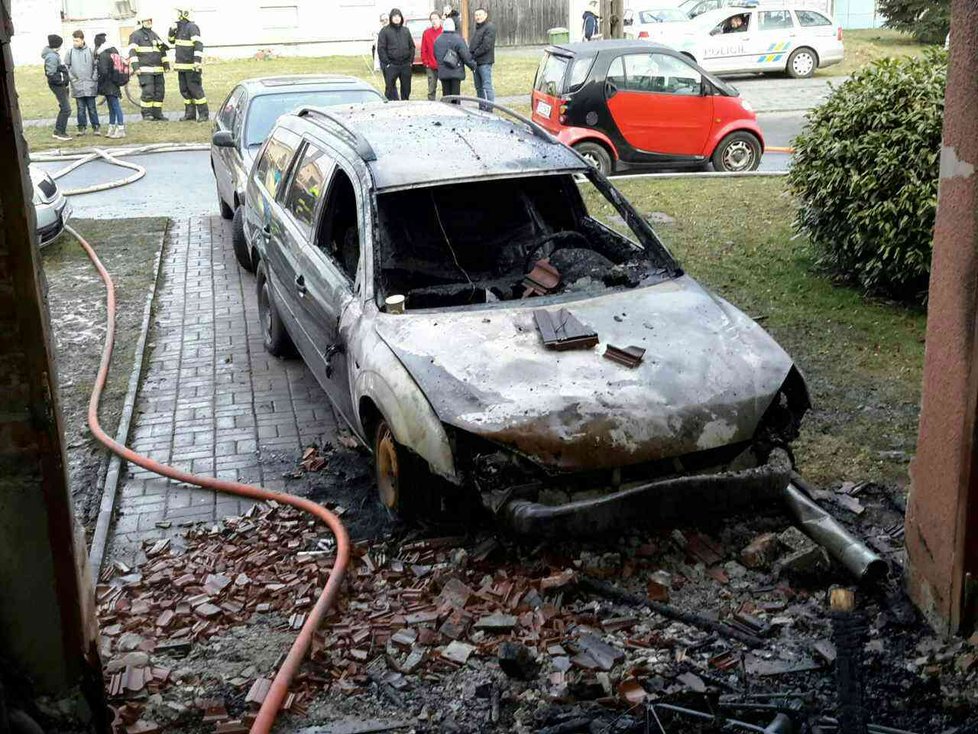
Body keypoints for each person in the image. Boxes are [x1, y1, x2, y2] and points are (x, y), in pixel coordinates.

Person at [169, 9, 208, 122]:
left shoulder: (192, 27)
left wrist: (197, 61)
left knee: (195, 90)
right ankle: (190, 114)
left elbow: (198, 45)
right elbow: (171, 41)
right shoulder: (178, 27)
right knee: (184, 90)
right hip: (181, 66)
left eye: (178, 13)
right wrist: (171, 30)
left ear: (184, 14)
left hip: (191, 66)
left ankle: (203, 114)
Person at [127, 15, 169, 121]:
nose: (149, 22)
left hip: (158, 70)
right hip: (145, 70)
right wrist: (136, 67)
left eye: (150, 20)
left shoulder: (154, 35)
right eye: (146, 20)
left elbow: (162, 50)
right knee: (148, 92)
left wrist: (166, 65)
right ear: (141, 22)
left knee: (160, 92)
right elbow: (132, 52)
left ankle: (157, 113)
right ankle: (147, 114)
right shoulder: (136, 35)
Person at [64, 30, 100, 135]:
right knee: (80, 108)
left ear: (82, 40)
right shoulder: (70, 52)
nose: (75, 43)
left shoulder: (90, 51)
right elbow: (66, 66)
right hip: (77, 85)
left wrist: (93, 78)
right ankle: (81, 127)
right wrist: (73, 79)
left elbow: (96, 65)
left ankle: (96, 127)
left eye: (77, 40)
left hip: (90, 84)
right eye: (74, 40)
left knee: (92, 108)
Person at [433, 18, 475, 102]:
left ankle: (447, 111)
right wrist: (473, 65)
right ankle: (456, 111)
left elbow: (435, 55)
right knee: (455, 96)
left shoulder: (438, 40)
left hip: (443, 71)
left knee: (446, 95)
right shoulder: (458, 39)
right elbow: (465, 55)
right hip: (456, 71)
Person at [377, 8, 415, 101]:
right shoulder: (385, 31)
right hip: (392, 65)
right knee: (390, 89)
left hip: (405, 65)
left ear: (401, 18)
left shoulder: (406, 30)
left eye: (398, 16)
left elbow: (412, 46)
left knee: (406, 89)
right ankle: (391, 106)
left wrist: (410, 61)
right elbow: (381, 48)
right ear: (391, 18)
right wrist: (387, 63)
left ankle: (405, 105)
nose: (397, 18)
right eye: (394, 16)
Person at [94, 33, 126, 139]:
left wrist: (99, 82)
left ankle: (120, 128)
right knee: (112, 106)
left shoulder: (103, 54)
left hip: (108, 84)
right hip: (115, 82)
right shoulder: (113, 51)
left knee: (114, 106)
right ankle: (112, 127)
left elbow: (103, 71)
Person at [42, 35, 72, 141]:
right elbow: (51, 74)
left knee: (64, 108)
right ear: (58, 45)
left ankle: (58, 131)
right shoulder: (52, 56)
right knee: (66, 109)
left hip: (59, 85)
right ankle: (60, 132)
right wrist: (63, 79)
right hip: (58, 86)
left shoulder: (52, 55)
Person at [469, 7, 496, 111]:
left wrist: (474, 54)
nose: (478, 17)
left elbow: (486, 45)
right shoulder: (478, 28)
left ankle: (489, 108)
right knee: (478, 87)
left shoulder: (490, 27)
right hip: (476, 62)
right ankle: (482, 106)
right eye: (476, 15)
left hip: (485, 62)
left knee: (486, 86)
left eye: (480, 15)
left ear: (485, 15)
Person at [420, 11, 443, 101]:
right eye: (432, 19)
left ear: (440, 20)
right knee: (431, 88)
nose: (434, 21)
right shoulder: (427, 33)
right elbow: (423, 49)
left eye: (436, 18)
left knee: (445, 87)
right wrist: (425, 62)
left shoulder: (444, 31)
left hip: (442, 65)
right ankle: (431, 104)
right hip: (430, 65)